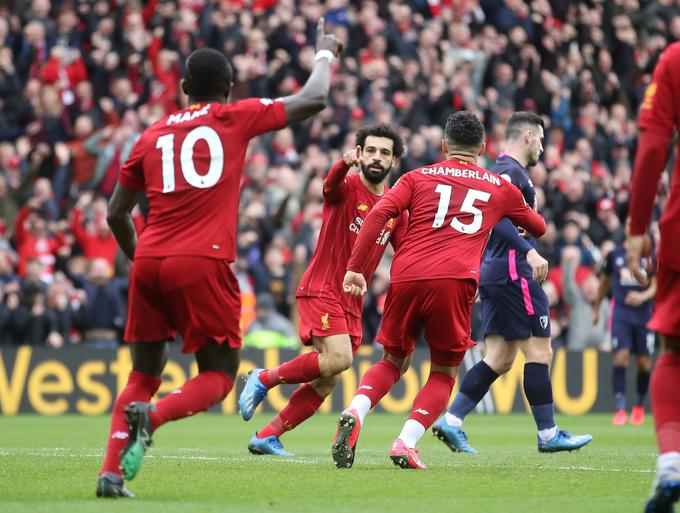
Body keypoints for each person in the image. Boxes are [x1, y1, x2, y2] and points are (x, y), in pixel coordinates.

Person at [96, 20, 344, 498]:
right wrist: (324, 53)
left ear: (184, 88)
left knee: (142, 375)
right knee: (216, 376)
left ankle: (111, 474)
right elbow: (314, 99)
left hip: (148, 259)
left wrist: (140, 259)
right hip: (203, 261)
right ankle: (155, 417)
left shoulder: (149, 136)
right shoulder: (233, 117)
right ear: (228, 92)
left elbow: (115, 213)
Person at [337, 111, 548, 470]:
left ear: (444, 146)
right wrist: (521, 210)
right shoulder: (498, 186)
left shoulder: (415, 177)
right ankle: (405, 441)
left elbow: (377, 216)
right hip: (454, 281)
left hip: (405, 276)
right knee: (444, 371)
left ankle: (355, 409)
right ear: (482, 148)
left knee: (392, 361)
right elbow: (537, 226)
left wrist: (355, 268)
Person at [239, 124, 406, 456]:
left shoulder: (393, 208)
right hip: (323, 287)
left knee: (330, 375)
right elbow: (328, 186)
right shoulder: (346, 187)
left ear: (394, 161)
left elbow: (406, 251)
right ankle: (263, 379)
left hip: (352, 301)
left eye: (385, 152)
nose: (376, 157)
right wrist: (342, 163)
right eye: (370, 150)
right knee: (339, 358)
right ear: (360, 153)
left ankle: (267, 435)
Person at [431, 112, 592, 455]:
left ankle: (452, 421)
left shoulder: (510, 172)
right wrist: (529, 253)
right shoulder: (508, 172)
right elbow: (496, 215)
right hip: (513, 270)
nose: (544, 147)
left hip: (495, 271)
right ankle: (548, 434)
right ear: (529, 137)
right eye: (542, 139)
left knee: (501, 357)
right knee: (540, 351)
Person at [625, 42, 680, 513]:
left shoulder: (675, 60)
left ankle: (671, 463)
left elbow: (653, 148)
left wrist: (636, 228)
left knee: (674, 353)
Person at [592, 238, 656, 426]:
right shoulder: (615, 255)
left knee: (644, 363)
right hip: (621, 312)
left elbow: (656, 284)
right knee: (621, 358)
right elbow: (604, 282)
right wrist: (596, 309)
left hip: (644, 314)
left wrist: (642, 296)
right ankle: (620, 409)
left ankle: (638, 406)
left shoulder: (650, 256)